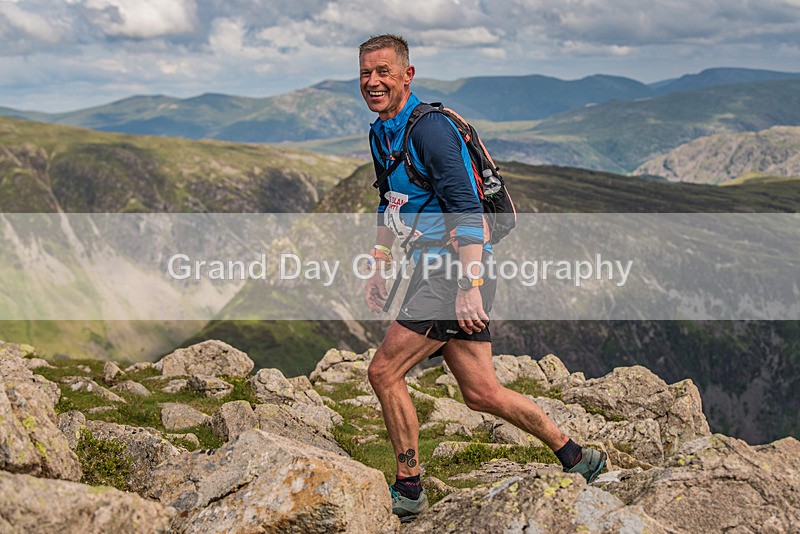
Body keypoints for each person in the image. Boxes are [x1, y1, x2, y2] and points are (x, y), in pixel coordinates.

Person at [358, 34, 606, 522]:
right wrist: (380, 264)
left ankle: (409, 489)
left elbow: (467, 210)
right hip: (432, 268)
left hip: (453, 272)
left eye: (384, 71)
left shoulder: (429, 131)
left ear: (408, 75)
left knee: (384, 372)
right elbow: (390, 204)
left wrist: (469, 287)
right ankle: (579, 457)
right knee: (481, 393)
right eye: (366, 73)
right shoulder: (381, 133)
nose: (373, 82)